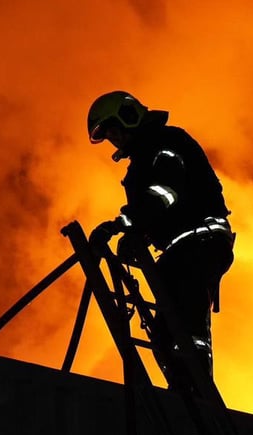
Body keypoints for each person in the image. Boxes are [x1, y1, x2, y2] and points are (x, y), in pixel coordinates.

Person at [85, 91, 235, 382]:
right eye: (109, 137)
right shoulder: (141, 161)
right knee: (165, 334)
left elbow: (165, 192)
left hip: (199, 243)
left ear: (129, 116)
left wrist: (121, 226)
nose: (114, 140)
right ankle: (182, 389)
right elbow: (157, 211)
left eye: (114, 131)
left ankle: (195, 389)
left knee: (187, 330)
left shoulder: (166, 142)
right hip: (181, 249)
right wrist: (136, 237)